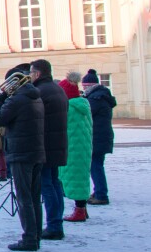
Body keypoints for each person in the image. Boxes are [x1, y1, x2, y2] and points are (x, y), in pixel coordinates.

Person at [0, 65, 45, 252]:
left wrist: (0, 98)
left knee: (24, 198)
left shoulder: (17, 99)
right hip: (36, 151)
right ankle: (36, 235)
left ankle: (29, 239)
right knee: (34, 197)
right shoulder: (35, 96)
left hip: (21, 152)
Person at [31, 59, 68, 241]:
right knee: (54, 183)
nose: (29, 76)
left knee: (47, 185)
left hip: (45, 144)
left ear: (37, 74)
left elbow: (33, 117)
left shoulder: (40, 91)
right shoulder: (57, 88)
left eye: (31, 73)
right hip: (57, 143)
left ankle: (54, 225)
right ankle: (56, 222)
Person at [60, 71, 94, 222]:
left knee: (76, 179)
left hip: (74, 147)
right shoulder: (82, 105)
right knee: (80, 177)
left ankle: (79, 210)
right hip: (81, 146)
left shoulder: (71, 107)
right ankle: (82, 208)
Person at [82, 69, 116, 205]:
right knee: (97, 165)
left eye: (84, 86)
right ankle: (99, 192)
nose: (83, 88)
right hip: (101, 136)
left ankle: (101, 194)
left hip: (97, 137)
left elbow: (87, 113)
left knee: (95, 166)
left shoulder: (96, 98)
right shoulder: (101, 96)